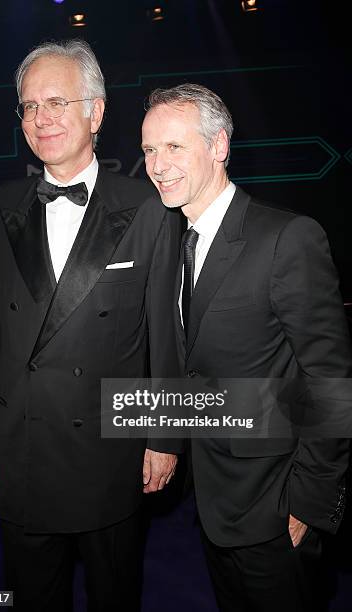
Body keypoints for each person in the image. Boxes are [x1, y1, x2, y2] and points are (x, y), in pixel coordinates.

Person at [0, 40, 183, 612]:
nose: (42, 118)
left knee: (116, 595)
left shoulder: (151, 208)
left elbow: (166, 332)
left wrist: (162, 437)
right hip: (22, 450)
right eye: (30, 106)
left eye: (58, 101)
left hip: (110, 450)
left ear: (98, 111)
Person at [141, 83, 351, 612]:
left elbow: (329, 383)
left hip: (277, 507)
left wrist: (308, 503)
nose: (157, 165)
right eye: (148, 150)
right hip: (212, 504)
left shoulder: (288, 238)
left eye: (173, 147)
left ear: (219, 146)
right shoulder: (173, 240)